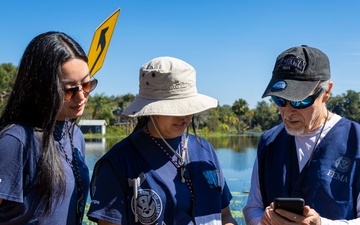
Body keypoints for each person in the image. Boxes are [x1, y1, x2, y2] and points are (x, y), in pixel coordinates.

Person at [87, 56, 237, 225]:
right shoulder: (119, 163)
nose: (184, 116)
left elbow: (225, 215)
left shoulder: (205, 150)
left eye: (189, 107)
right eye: (175, 107)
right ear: (150, 108)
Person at [243, 45, 360, 224]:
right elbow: (253, 207)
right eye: (279, 100)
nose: (288, 112)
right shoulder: (269, 141)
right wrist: (262, 221)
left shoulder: (356, 140)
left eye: (300, 101)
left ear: (327, 91)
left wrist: (321, 224)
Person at [0, 31, 98, 224]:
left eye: (86, 84)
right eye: (69, 90)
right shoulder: (16, 141)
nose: (81, 97)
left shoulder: (74, 134)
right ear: (40, 88)